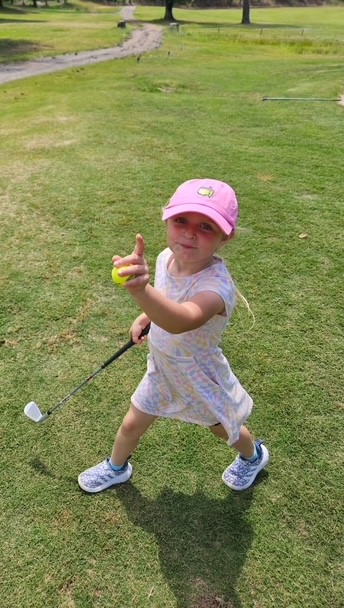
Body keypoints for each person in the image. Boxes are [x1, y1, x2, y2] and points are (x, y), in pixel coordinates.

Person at [78, 179, 269, 493]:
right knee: (132, 422)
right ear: (167, 219)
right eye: (181, 220)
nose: (190, 233)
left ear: (226, 236)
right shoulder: (165, 258)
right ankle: (116, 467)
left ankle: (254, 456)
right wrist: (146, 316)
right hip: (163, 369)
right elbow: (168, 301)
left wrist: (141, 292)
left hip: (198, 375)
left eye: (206, 226)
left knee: (224, 429)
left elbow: (182, 320)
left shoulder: (217, 287)